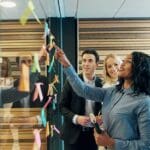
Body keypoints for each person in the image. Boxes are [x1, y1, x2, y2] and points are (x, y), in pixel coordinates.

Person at [55, 47, 150, 150]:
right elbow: (83, 90)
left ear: (140, 68)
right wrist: (66, 63)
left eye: (128, 61)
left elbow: (146, 145)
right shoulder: (112, 91)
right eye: (123, 60)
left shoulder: (144, 102)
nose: (122, 64)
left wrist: (112, 143)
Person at [59, 49, 103, 150]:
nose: (86, 64)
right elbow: (62, 107)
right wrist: (76, 118)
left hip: (93, 135)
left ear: (96, 64)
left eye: (90, 61)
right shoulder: (71, 81)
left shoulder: (101, 84)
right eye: (84, 60)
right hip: (73, 135)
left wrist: (101, 117)